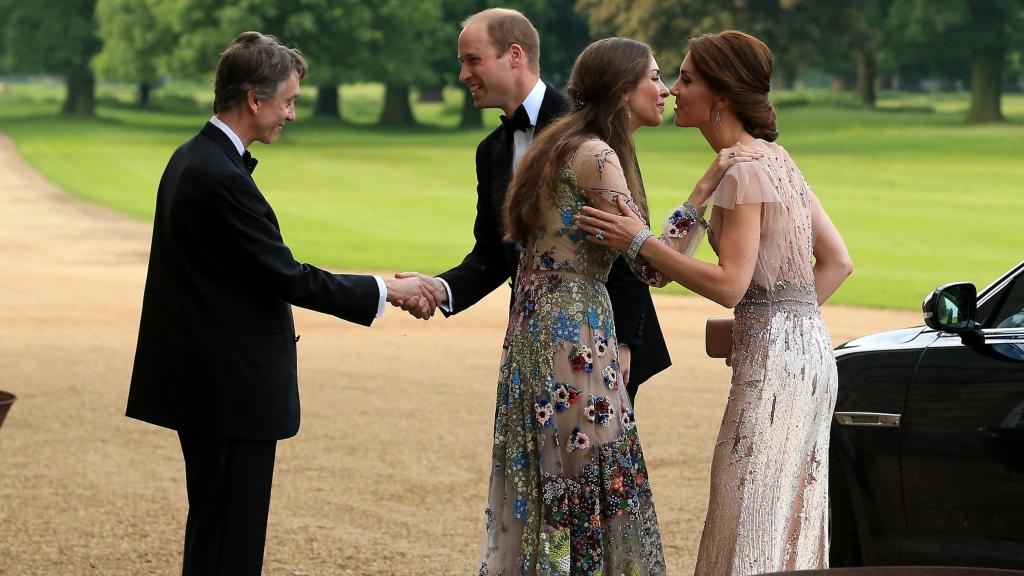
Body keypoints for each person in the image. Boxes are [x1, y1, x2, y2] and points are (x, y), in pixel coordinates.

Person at [126, 32, 434, 575]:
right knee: (230, 544)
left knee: (215, 532)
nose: (291, 114)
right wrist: (389, 289)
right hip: (228, 392)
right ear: (254, 98)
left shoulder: (193, 158)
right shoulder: (218, 176)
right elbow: (287, 276)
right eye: (288, 100)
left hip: (208, 386)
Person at [576, 30, 853, 575]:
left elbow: (729, 284)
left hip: (775, 368)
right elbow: (837, 262)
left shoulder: (747, 171)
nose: (674, 90)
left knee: (747, 509)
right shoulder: (772, 159)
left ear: (720, 97)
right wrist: (694, 200)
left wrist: (638, 240)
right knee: (787, 516)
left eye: (686, 79)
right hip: (808, 355)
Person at [473, 36, 681, 576]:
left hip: (535, 331)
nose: (665, 90)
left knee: (552, 483)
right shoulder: (598, 156)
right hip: (574, 337)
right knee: (592, 482)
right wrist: (703, 199)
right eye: (654, 78)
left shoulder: (560, 145)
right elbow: (654, 266)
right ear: (621, 89)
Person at [397, 7, 670, 401]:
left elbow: (625, 233)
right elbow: (493, 253)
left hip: (602, 337)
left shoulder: (587, 128)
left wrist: (625, 340)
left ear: (514, 55)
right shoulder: (490, 151)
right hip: (532, 333)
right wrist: (438, 289)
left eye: (473, 60)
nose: (463, 76)